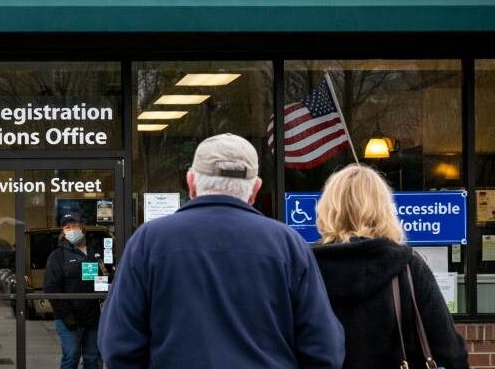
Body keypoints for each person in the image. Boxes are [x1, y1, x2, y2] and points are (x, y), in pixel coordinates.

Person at [99, 133, 345, 368]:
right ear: (255, 188)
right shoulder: (288, 245)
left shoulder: (148, 242)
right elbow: (324, 350)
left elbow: (118, 346)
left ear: (191, 182)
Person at [311, 164, 468, 369]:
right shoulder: (408, 266)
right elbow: (449, 352)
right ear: (384, 209)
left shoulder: (307, 267)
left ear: (327, 209)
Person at [44, 213, 105, 369]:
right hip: (68, 319)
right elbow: (51, 288)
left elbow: (104, 278)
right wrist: (66, 315)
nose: (71, 230)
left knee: (93, 359)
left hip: (92, 317)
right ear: (63, 231)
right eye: (67, 227)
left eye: (75, 225)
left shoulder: (95, 253)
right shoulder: (58, 256)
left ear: (82, 227)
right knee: (71, 356)